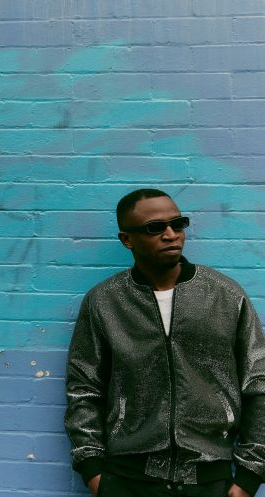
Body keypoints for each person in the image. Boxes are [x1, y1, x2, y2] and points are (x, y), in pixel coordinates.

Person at [64, 188, 265, 497]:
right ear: (127, 240)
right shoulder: (105, 302)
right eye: (155, 228)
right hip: (126, 479)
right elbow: (84, 388)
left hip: (210, 481)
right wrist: (93, 471)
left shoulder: (225, 295)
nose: (171, 235)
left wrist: (249, 477)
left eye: (178, 224)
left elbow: (258, 385)